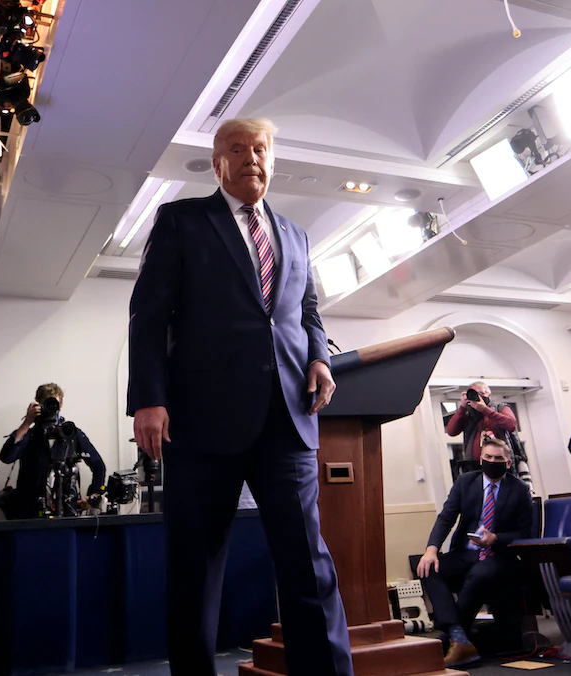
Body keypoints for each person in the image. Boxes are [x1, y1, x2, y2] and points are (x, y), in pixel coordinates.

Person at [128, 117, 352, 676]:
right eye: (237, 148)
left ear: (272, 161)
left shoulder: (296, 235)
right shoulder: (181, 220)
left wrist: (320, 357)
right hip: (200, 423)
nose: (251, 157)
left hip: (288, 419)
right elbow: (149, 315)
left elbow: (307, 312)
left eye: (260, 149)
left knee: (309, 564)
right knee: (195, 570)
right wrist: (149, 399)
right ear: (217, 163)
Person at [416, 439, 533, 667]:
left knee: (480, 574)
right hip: (466, 552)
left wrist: (495, 538)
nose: (492, 461)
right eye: (487, 457)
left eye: (498, 458)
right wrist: (431, 550)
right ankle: (458, 635)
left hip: (499, 556)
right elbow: (446, 517)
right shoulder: (466, 482)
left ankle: (452, 639)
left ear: (508, 463)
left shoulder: (519, 489)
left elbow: (525, 532)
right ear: (481, 459)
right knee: (428, 568)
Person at [0, 383, 105, 519]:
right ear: (38, 405)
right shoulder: (30, 435)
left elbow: (98, 465)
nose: (51, 408)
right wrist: (27, 422)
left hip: (67, 508)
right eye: (47, 403)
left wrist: (93, 497)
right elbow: (7, 457)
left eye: (55, 404)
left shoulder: (71, 434)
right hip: (30, 510)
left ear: (61, 405)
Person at [446, 381, 518, 463]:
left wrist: (485, 410)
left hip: (500, 461)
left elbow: (511, 425)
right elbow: (451, 431)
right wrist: (462, 408)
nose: (478, 396)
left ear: (489, 395)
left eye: (481, 393)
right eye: (474, 393)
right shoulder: (468, 413)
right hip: (474, 464)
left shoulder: (500, 408)